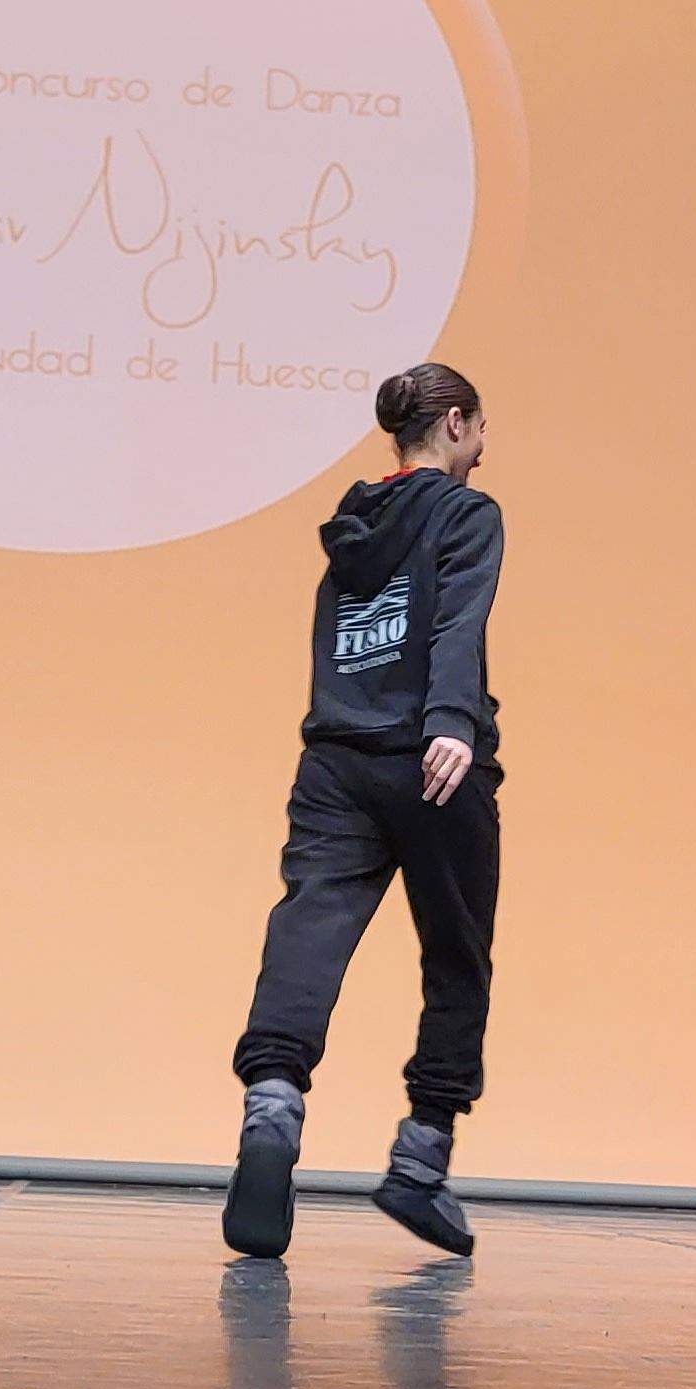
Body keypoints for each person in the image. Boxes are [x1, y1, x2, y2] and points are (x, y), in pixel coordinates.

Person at [221, 364, 506, 1260]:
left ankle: (272, 1105)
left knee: (309, 928)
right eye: (482, 428)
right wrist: (452, 722)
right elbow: (458, 619)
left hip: (336, 756)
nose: (485, 444)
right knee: (456, 953)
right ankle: (422, 1158)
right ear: (455, 425)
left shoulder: (353, 524)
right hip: (431, 757)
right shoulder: (469, 512)